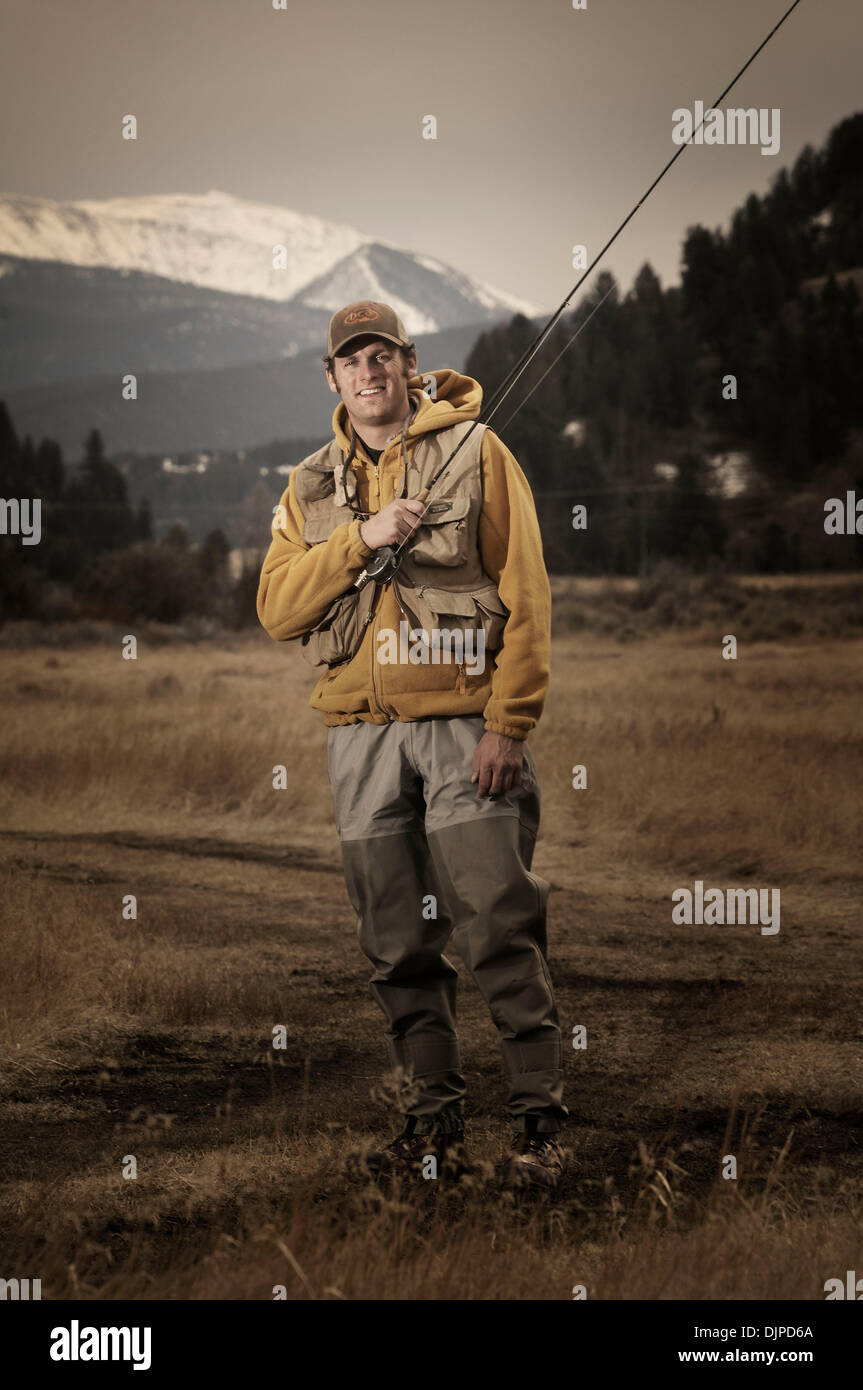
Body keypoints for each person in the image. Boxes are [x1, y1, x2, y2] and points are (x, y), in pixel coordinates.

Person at [257, 299, 568, 1185]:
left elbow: (528, 592)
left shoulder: (476, 451)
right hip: (359, 740)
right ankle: (431, 1133)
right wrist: (362, 538)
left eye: (382, 355)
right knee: (397, 945)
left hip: (464, 728)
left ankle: (539, 1130)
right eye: (351, 360)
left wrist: (509, 722)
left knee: (498, 928)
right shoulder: (310, 484)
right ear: (331, 377)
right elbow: (278, 609)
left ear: (408, 362)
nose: (368, 372)